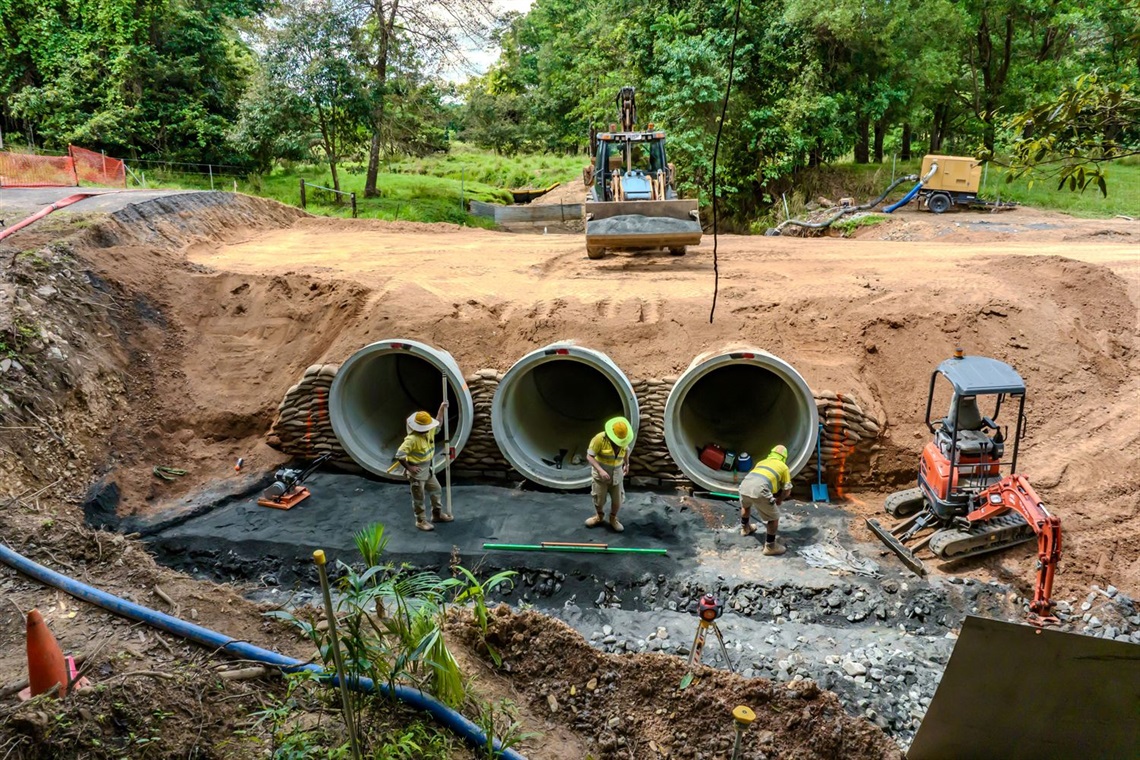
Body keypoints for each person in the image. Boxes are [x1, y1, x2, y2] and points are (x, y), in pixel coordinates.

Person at [395, 400, 450, 531]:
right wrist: (410, 468)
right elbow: (399, 455)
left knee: (436, 489)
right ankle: (421, 521)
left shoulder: (430, 431)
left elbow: (439, 423)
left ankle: (436, 514)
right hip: (418, 471)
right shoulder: (411, 439)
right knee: (419, 497)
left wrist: (442, 408)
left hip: (428, 468)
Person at [738, 444, 793, 555]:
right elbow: (787, 490)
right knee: (774, 518)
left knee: (746, 505)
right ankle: (770, 546)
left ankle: (745, 528)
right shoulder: (783, 467)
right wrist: (780, 500)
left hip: (744, 485)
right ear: (784, 457)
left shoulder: (761, 462)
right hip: (760, 489)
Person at [585, 416, 635, 532]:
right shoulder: (599, 439)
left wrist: (627, 464)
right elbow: (589, 456)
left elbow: (626, 450)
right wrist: (600, 470)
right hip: (601, 476)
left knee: (617, 500)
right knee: (599, 499)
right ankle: (599, 516)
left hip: (617, 474)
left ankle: (613, 518)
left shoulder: (624, 441)